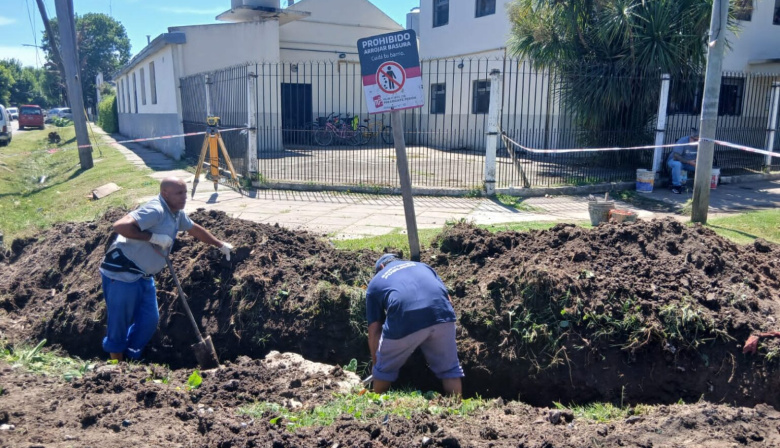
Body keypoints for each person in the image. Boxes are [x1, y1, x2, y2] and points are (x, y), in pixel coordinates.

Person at [99, 177, 233, 361]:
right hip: (122, 273)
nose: (184, 197)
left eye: (185, 192)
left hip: (145, 276)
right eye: (179, 193)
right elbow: (120, 226)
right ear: (165, 194)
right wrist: (152, 237)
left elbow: (194, 229)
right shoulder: (156, 210)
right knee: (119, 322)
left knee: (149, 321)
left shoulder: (176, 213)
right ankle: (116, 367)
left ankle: (129, 359)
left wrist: (219, 244)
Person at [365, 253, 464, 396]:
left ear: (381, 267)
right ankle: (457, 409)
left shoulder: (376, 282)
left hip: (404, 317)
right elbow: (448, 299)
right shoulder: (424, 266)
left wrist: (377, 366)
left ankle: (377, 404)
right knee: (450, 370)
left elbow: (374, 330)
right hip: (441, 313)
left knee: (384, 371)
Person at [666, 129, 699, 194]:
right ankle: (676, 186)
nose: (696, 142)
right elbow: (676, 156)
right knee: (677, 165)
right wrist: (689, 162)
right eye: (695, 140)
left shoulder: (700, 144)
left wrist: (697, 162)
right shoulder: (682, 141)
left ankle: (697, 187)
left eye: (698, 140)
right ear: (690, 138)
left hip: (690, 163)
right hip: (675, 160)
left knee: (702, 167)